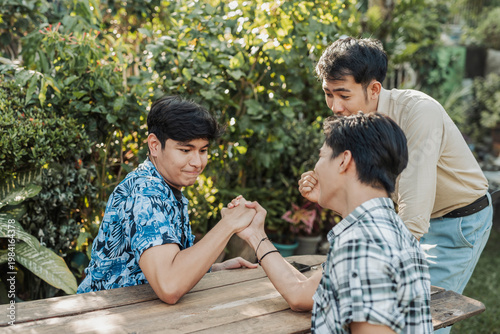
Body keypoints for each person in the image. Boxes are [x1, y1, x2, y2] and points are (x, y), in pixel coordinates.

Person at [299, 37, 492, 299]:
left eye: (344, 95)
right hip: (408, 221)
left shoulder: (419, 113)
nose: (335, 107)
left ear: (374, 90)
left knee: (424, 312)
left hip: (456, 221)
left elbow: (413, 211)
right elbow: (363, 199)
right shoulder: (353, 124)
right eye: (328, 94)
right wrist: (325, 196)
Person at [230, 113, 432, 333]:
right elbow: (300, 294)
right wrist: (255, 235)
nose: (316, 168)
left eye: (322, 156)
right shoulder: (392, 230)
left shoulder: (361, 245)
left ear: (344, 160)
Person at [77, 95, 258, 304]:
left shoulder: (166, 186)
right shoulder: (144, 192)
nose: (197, 162)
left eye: (203, 150)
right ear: (154, 145)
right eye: (185, 150)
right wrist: (229, 224)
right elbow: (169, 286)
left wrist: (214, 268)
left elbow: (162, 267)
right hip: (105, 315)